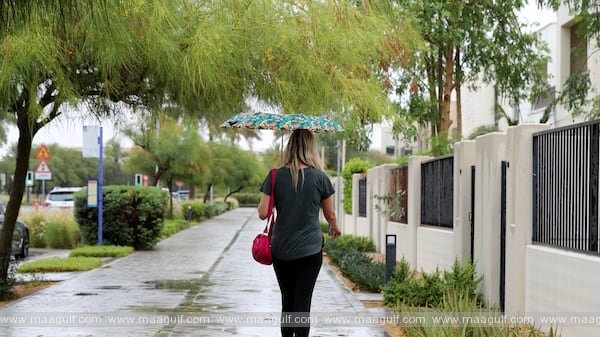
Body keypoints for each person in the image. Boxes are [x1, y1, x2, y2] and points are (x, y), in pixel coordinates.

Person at [258, 129, 341, 337]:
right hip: (310, 251)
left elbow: (262, 213)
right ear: (311, 148)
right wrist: (335, 226)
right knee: (303, 304)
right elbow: (330, 213)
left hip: (281, 249)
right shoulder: (321, 178)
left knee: (287, 303)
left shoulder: (275, 175)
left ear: (290, 147)